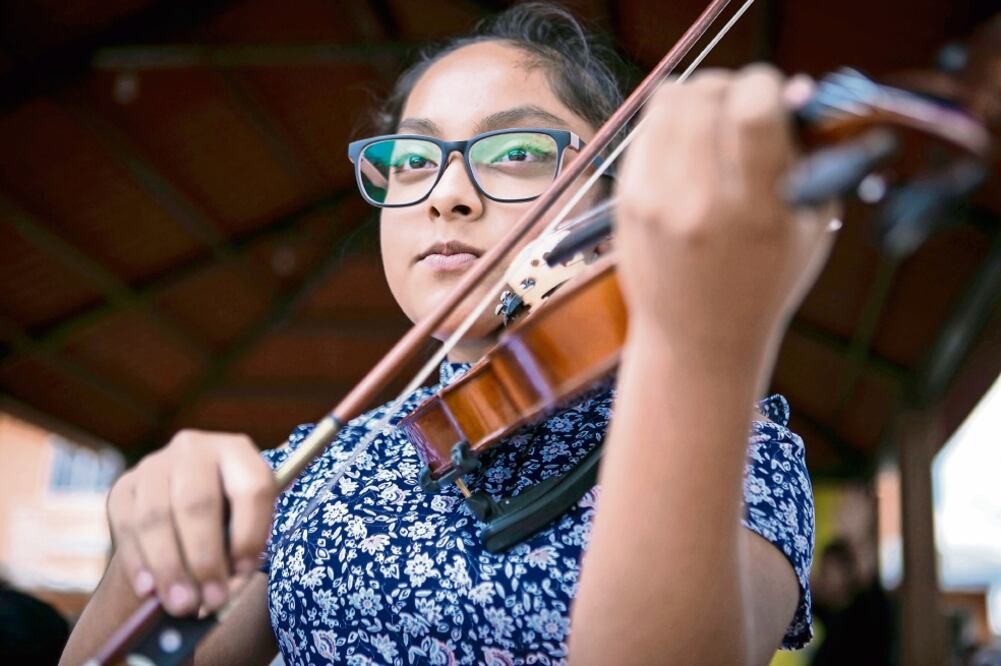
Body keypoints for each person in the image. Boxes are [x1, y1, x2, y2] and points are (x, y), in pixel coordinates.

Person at [61, 4, 832, 664]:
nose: (447, 195)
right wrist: (148, 560)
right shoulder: (315, 468)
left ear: (618, 203)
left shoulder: (739, 448)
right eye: (411, 160)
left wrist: (694, 341)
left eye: (518, 152)